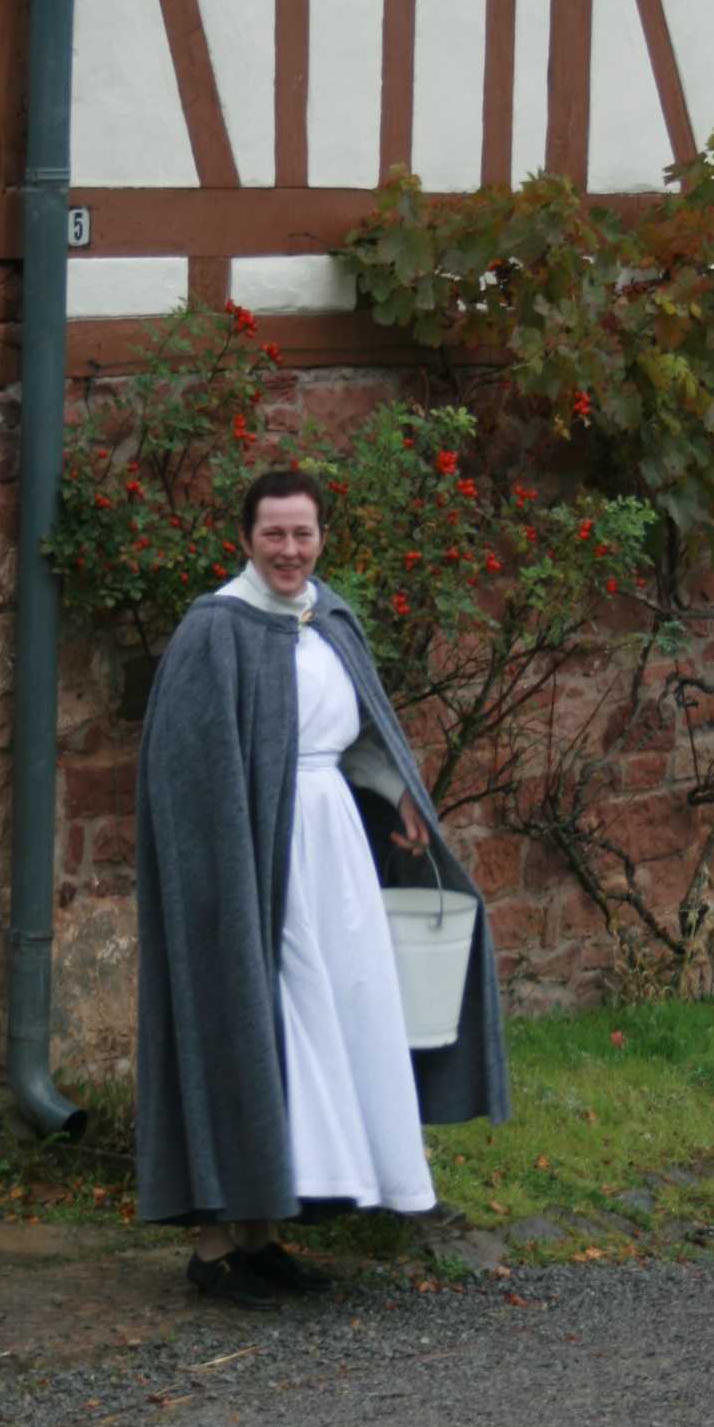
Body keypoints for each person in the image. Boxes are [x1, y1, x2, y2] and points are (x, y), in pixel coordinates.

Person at [135, 468, 509, 1306]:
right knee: (258, 1019)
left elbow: (356, 734)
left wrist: (396, 792)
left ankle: (265, 1234)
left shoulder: (328, 618)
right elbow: (185, 772)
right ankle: (213, 1246)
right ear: (245, 539)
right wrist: (227, 879)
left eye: (302, 533)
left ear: (321, 538)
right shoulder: (214, 631)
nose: (289, 549)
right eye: (273, 533)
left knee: (336, 1016)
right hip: (253, 859)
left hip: (330, 848)